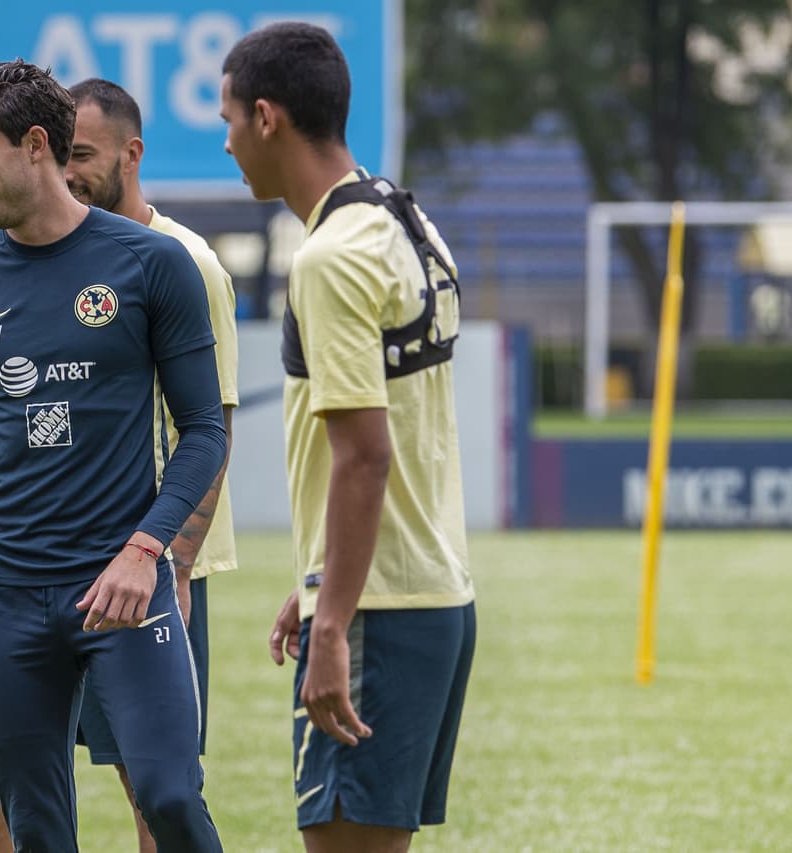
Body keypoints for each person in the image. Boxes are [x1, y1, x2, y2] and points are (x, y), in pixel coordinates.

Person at [0, 60, 226, 853]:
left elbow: (203, 430)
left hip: (122, 586)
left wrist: (149, 547)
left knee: (170, 796)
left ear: (36, 144)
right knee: (36, 827)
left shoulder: (150, 264)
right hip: (5, 591)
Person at [220, 23, 477, 853]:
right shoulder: (404, 220)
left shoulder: (329, 258)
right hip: (432, 593)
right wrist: (327, 578)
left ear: (268, 117)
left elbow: (367, 454)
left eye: (228, 120)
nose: (225, 144)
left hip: (378, 612)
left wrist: (333, 620)